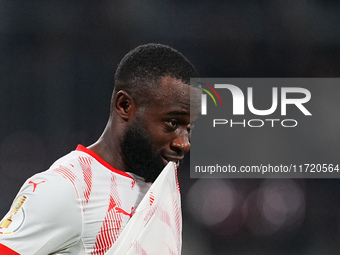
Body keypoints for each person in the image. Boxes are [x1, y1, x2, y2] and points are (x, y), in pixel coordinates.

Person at [0, 43, 201, 254]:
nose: (184, 143)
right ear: (124, 106)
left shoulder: (161, 184)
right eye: (172, 123)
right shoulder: (69, 189)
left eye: (189, 128)